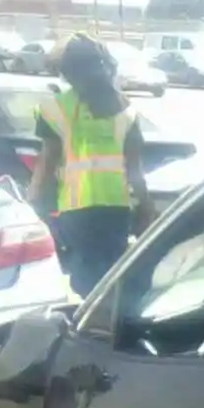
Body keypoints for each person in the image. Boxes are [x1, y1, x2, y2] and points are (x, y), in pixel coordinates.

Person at [27, 34, 152, 294]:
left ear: (68, 71)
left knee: (86, 280)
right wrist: (146, 207)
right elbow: (135, 169)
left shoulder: (56, 108)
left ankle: (90, 330)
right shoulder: (126, 109)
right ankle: (111, 326)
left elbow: (47, 161)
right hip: (116, 211)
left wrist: (33, 201)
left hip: (77, 211)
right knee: (112, 278)